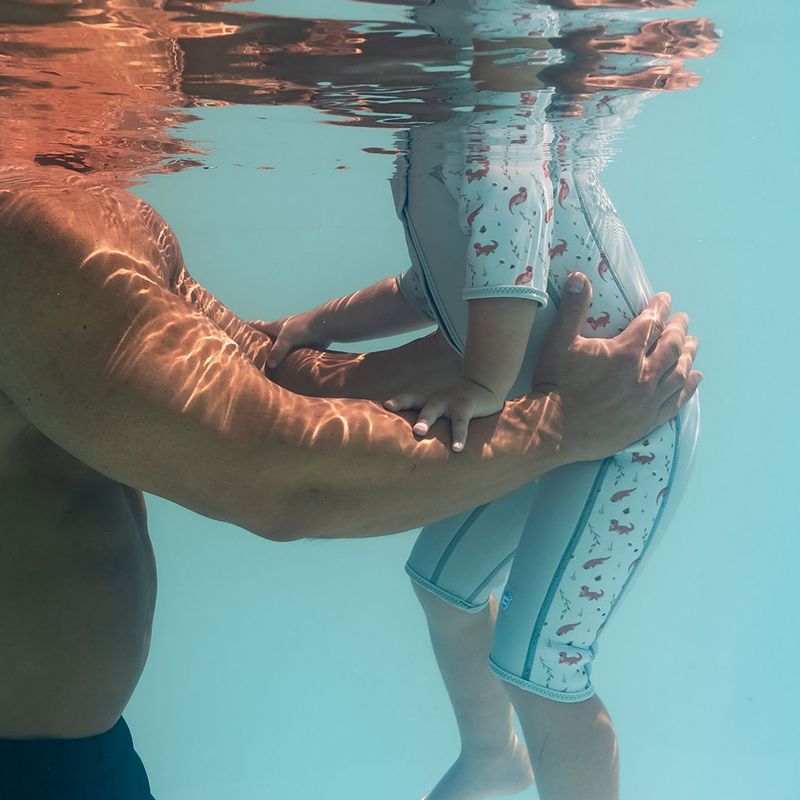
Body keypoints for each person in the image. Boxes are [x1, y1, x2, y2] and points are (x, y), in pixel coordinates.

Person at [0, 162, 698, 798]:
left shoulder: (79, 208)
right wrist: (558, 424)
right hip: (31, 773)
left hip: (71, 766)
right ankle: (494, 756)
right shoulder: (30, 231)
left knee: (497, 628)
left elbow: (258, 368)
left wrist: (493, 367)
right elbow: (281, 478)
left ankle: (493, 756)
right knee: (510, 642)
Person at [255, 3, 713, 799]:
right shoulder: (435, 133)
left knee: (542, 671)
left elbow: (509, 253)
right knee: (442, 581)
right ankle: (493, 759)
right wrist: (314, 324)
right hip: (548, 410)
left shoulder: (497, 113)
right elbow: (436, 282)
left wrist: (480, 385)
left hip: (635, 417)